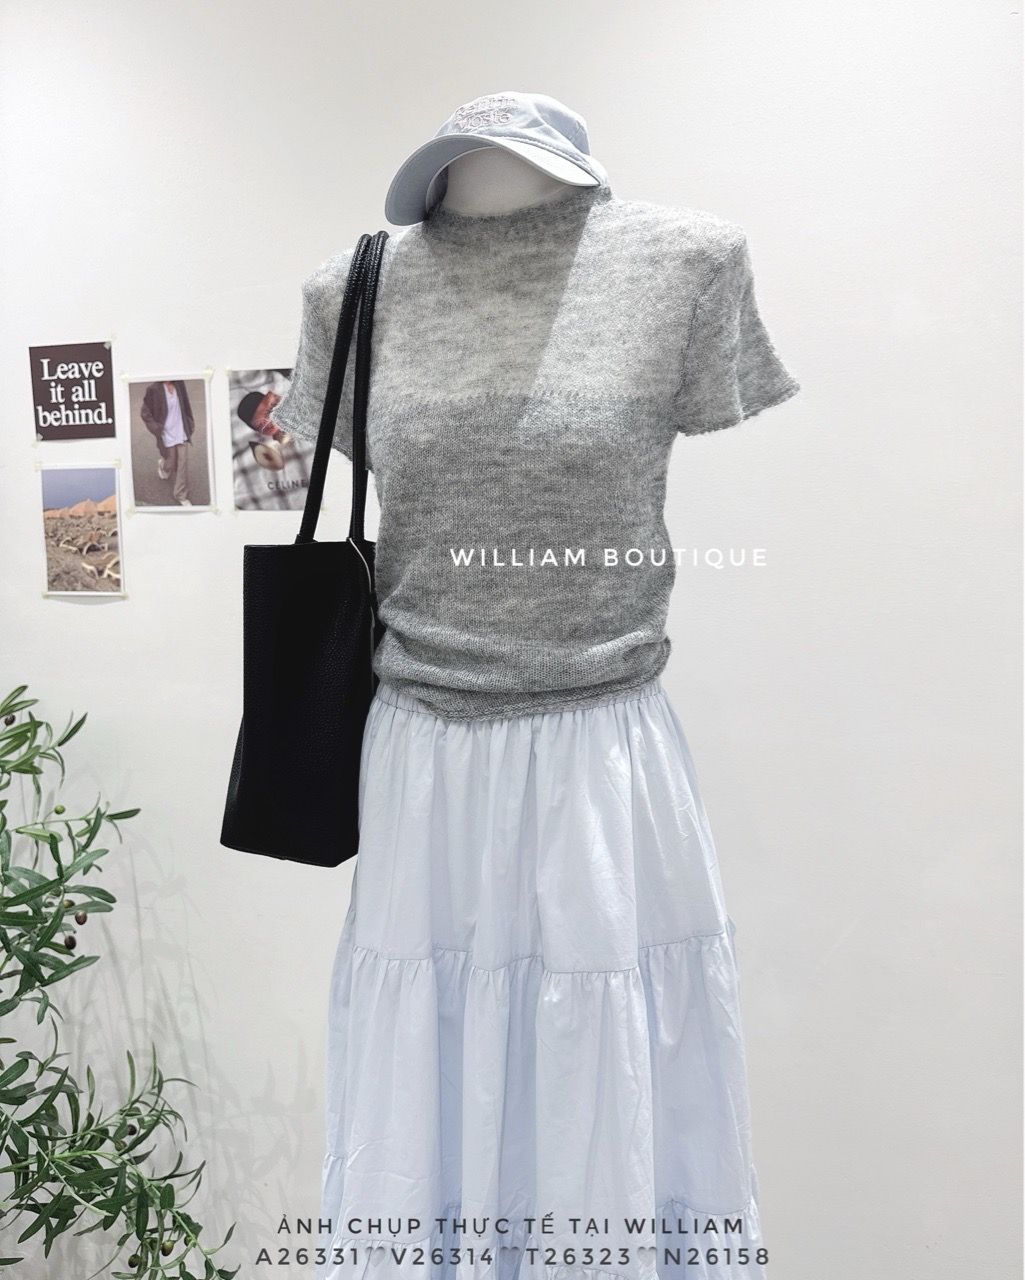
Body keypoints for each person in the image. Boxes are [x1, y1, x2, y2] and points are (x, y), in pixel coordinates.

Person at [140, 379, 194, 506]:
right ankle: (163, 465)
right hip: (166, 432)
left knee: (182, 463)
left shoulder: (179, 384)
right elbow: (145, 412)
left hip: (181, 430)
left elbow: (186, 405)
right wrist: (155, 427)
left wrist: (190, 423)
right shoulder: (153, 389)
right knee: (171, 462)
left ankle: (180, 494)